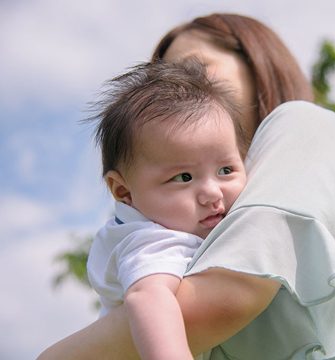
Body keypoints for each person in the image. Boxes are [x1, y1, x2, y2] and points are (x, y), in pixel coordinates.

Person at [38, 13, 335, 360]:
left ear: (256, 63)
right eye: (163, 82)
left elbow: (226, 298)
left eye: (194, 68)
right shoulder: (158, 232)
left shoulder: (303, 124)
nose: (181, 90)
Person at [85, 59, 247, 360]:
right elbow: (148, 298)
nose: (212, 193)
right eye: (183, 177)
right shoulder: (152, 241)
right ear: (124, 192)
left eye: (226, 169)